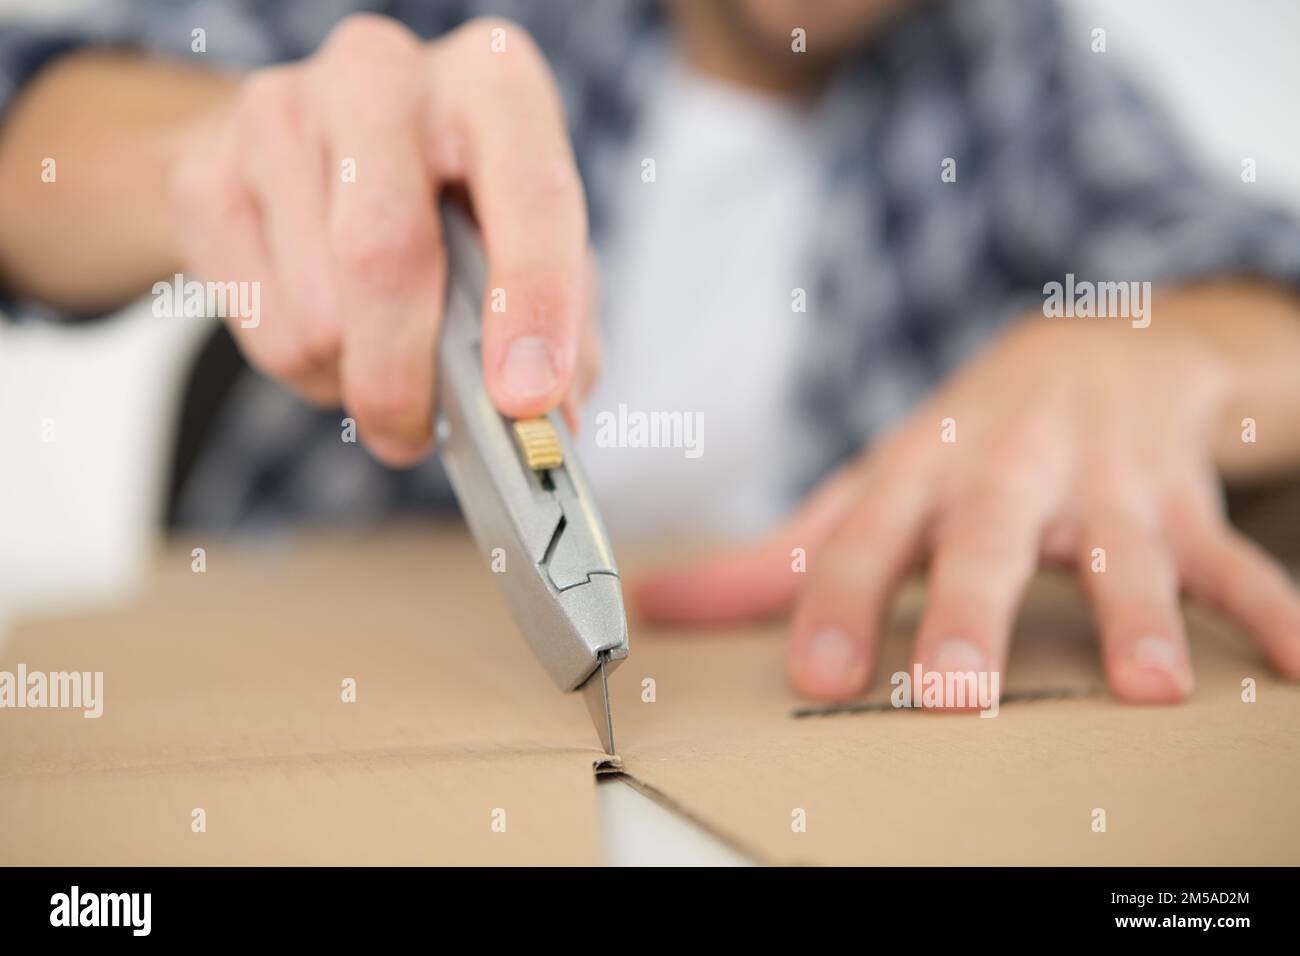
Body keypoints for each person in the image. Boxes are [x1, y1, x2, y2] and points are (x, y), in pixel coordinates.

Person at [1, 0, 1298, 706]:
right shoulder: (462, 20)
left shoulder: (1016, 72)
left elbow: (1260, 275)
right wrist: (210, 152)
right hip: (283, 691)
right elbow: (32, 126)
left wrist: (1151, 356)